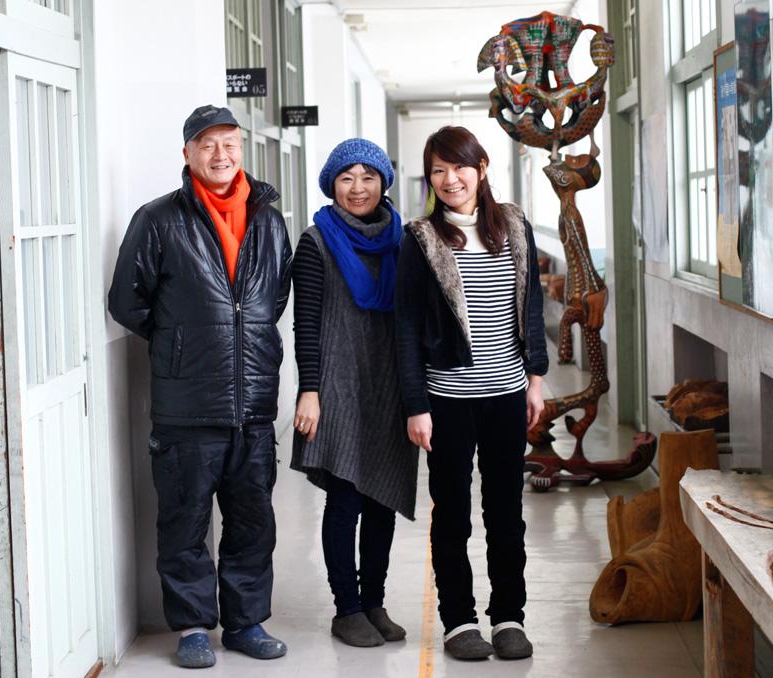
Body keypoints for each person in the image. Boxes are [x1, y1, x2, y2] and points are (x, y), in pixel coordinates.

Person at [108, 105, 292, 668]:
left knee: (252, 521)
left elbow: (274, 296)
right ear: (187, 153)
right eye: (207, 144)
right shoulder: (159, 218)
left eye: (230, 144)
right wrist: (182, 344)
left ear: (242, 150)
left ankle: (245, 623)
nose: (220, 154)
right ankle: (190, 626)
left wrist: (243, 337)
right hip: (187, 406)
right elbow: (126, 301)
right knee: (184, 521)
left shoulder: (268, 218)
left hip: (254, 403)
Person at [395, 126, 548, 661]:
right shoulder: (420, 239)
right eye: (438, 170)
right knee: (453, 514)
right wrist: (416, 404)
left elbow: (530, 304)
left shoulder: (514, 225)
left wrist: (537, 377)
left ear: (481, 166)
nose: (450, 179)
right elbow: (407, 326)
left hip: (507, 392)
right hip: (447, 402)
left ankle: (509, 616)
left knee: (506, 511)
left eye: (458, 166)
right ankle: (459, 621)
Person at [290, 138, 419, 647]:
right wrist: (309, 390)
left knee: (382, 498)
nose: (358, 187)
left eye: (368, 176)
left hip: (389, 385)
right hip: (338, 387)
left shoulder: (403, 241)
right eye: (347, 178)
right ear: (332, 186)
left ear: (383, 182)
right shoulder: (315, 242)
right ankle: (346, 608)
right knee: (345, 499)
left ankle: (374, 603)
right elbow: (305, 325)